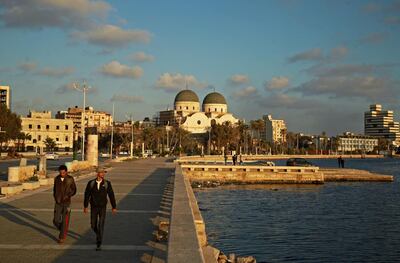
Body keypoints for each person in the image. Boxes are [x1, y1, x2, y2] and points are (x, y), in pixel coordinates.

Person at [84, 167, 117, 251]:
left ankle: (99, 242)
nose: (103, 174)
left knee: (101, 224)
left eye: (104, 172)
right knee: (93, 224)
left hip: (102, 207)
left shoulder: (107, 183)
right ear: (97, 173)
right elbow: (87, 195)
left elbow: (111, 195)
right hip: (94, 206)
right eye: (101, 172)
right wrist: (85, 206)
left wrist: (114, 207)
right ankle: (99, 234)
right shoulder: (91, 183)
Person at [53, 165, 77, 244]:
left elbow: (74, 190)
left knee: (64, 220)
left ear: (66, 172)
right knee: (56, 220)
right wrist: (55, 197)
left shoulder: (70, 179)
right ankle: (62, 229)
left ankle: (61, 237)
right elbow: (54, 189)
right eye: (60, 172)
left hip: (67, 202)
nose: (62, 174)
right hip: (58, 202)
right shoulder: (57, 179)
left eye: (63, 172)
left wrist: (68, 195)